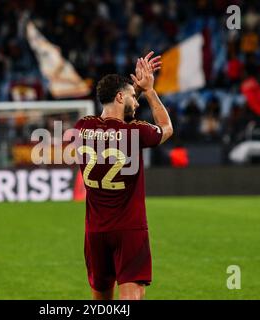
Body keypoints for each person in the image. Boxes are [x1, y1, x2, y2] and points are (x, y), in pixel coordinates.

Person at [73, 53, 173, 300]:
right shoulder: (135, 132)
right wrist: (148, 91)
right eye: (131, 98)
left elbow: (115, 121)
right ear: (119, 97)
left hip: (95, 231)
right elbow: (167, 127)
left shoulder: (82, 128)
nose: (136, 103)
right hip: (129, 229)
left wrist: (133, 90)